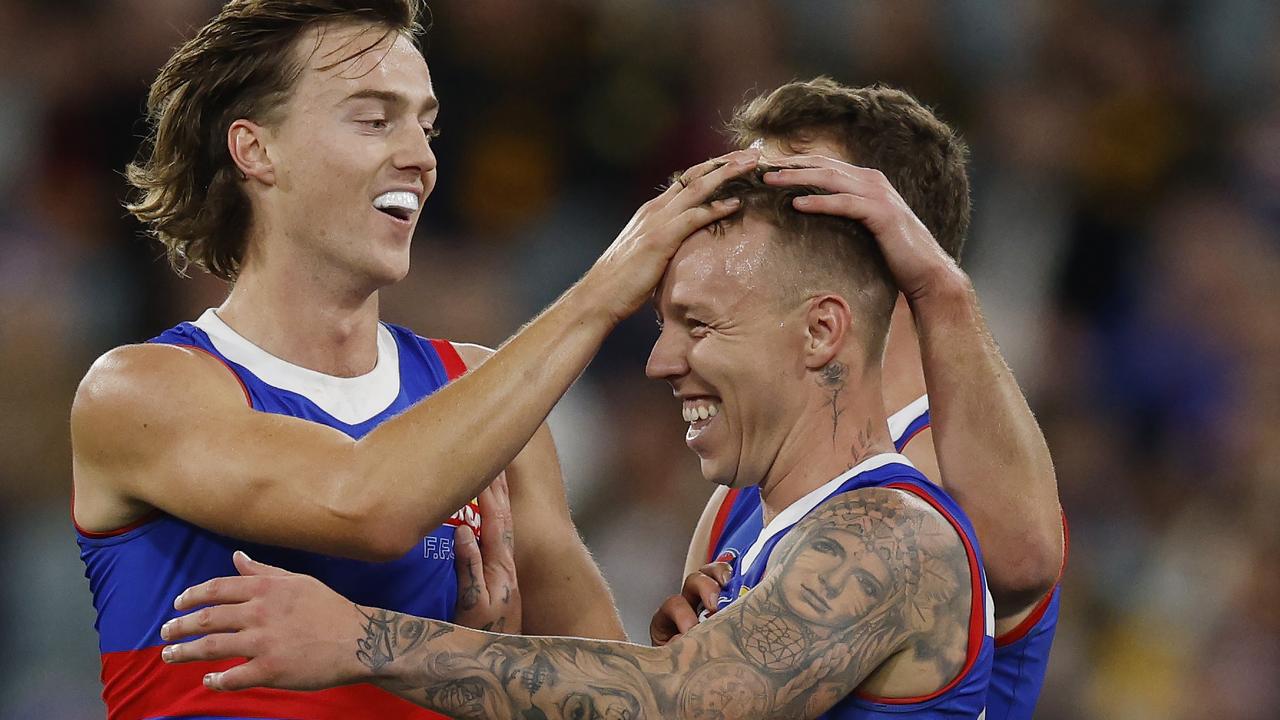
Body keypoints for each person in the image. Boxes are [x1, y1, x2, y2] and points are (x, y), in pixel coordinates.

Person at [70, 1, 755, 717]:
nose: (421, 157)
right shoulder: (140, 392)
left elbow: (619, 698)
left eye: (425, 126)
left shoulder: (483, 394)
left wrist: (478, 663)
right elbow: (364, 503)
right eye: (374, 119)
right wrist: (601, 291)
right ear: (256, 150)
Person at [161, 170, 997, 720]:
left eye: (699, 326)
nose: (663, 361)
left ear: (821, 331)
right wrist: (496, 637)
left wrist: (362, 639)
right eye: (664, 325)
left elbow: (673, 707)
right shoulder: (744, 536)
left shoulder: (892, 536)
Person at [651, 79, 1066, 720]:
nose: (743, 211)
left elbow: (1025, 560)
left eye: (784, 192)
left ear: (885, 227)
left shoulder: (950, 467)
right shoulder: (740, 491)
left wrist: (937, 284)